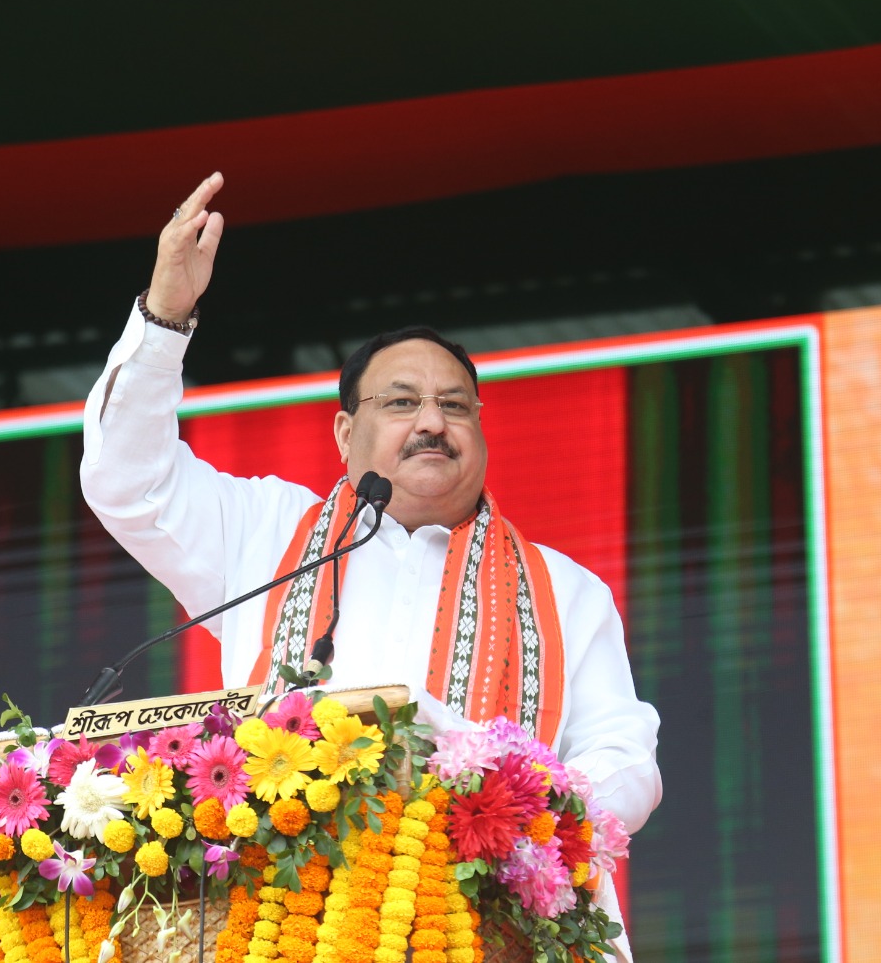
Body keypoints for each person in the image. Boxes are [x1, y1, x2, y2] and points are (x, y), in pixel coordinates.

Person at [80, 173, 661, 957]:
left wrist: (526, 810)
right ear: (344, 434)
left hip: (485, 932)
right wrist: (165, 318)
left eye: (455, 406)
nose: (432, 422)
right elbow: (127, 478)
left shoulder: (565, 592)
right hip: (281, 927)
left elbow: (623, 758)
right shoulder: (264, 533)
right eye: (401, 403)